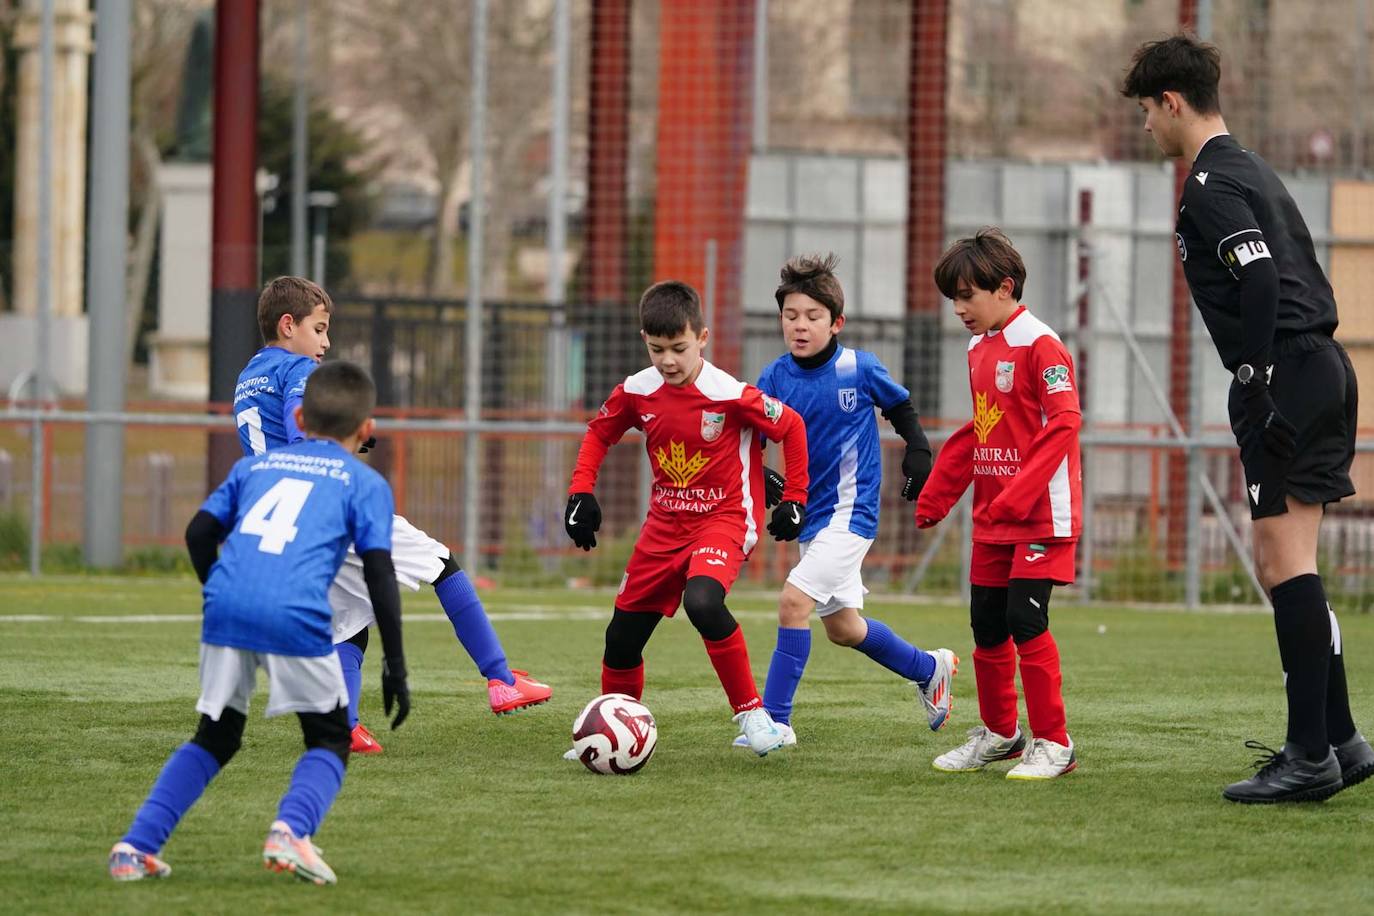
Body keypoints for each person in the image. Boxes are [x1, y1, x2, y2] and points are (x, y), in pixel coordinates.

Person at [1122, 35, 1370, 803]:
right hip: (1320, 367)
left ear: (1170, 102)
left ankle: (1308, 757)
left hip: (1289, 373)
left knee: (1281, 564)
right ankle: (1340, 739)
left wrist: (1257, 379)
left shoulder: (1208, 183)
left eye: (1145, 113)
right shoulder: (1250, 165)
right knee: (1293, 564)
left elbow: (1259, 273)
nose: (1145, 129)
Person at [109, 361, 409, 885]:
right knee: (329, 738)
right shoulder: (365, 482)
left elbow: (199, 533)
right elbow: (380, 575)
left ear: (297, 416)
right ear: (367, 430)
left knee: (216, 735)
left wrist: (219, 590)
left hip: (227, 604)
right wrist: (396, 665)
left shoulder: (252, 468)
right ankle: (291, 831)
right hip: (295, 610)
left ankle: (135, 848)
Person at [234, 277, 550, 755]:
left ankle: (346, 725)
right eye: (319, 329)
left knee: (349, 621)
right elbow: (304, 434)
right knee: (442, 563)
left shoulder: (250, 374)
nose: (325, 342)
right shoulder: (299, 368)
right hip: (329, 507)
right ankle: (501, 679)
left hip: (280, 516)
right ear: (287, 325)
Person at [562, 279, 810, 756]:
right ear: (644, 342)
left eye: (678, 348)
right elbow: (599, 433)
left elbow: (791, 427)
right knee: (621, 639)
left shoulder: (729, 394)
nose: (668, 361)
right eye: (657, 349)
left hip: (724, 520)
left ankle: (753, 715)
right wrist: (580, 492)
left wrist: (795, 496)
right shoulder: (639, 390)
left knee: (703, 602)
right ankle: (612, 728)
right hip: (663, 526)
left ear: (703, 337)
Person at [738, 252, 957, 750]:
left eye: (813, 317)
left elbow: (900, 405)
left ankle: (774, 722)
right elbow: (747, 435)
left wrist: (919, 452)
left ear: (836, 322)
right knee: (843, 627)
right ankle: (930, 668)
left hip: (851, 513)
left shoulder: (859, 367)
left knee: (793, 603)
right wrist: (765, 476)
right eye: (791, 316)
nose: (800, 326)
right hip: (810, 518)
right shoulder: (774, 377)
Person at [916, 229, 1081, 780]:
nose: (959, 309)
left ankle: (1054, 744)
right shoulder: (977, 346)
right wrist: (940, 492)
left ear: (1004, 286)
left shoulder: (1042, 344)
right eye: (953, 299)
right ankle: (1002, 734)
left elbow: (1063, 423)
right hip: (994, 515)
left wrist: (1020, 492)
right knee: (986, 623)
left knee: (1023, 618)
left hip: (1039, 513)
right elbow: (982, 430)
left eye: (967, 296)